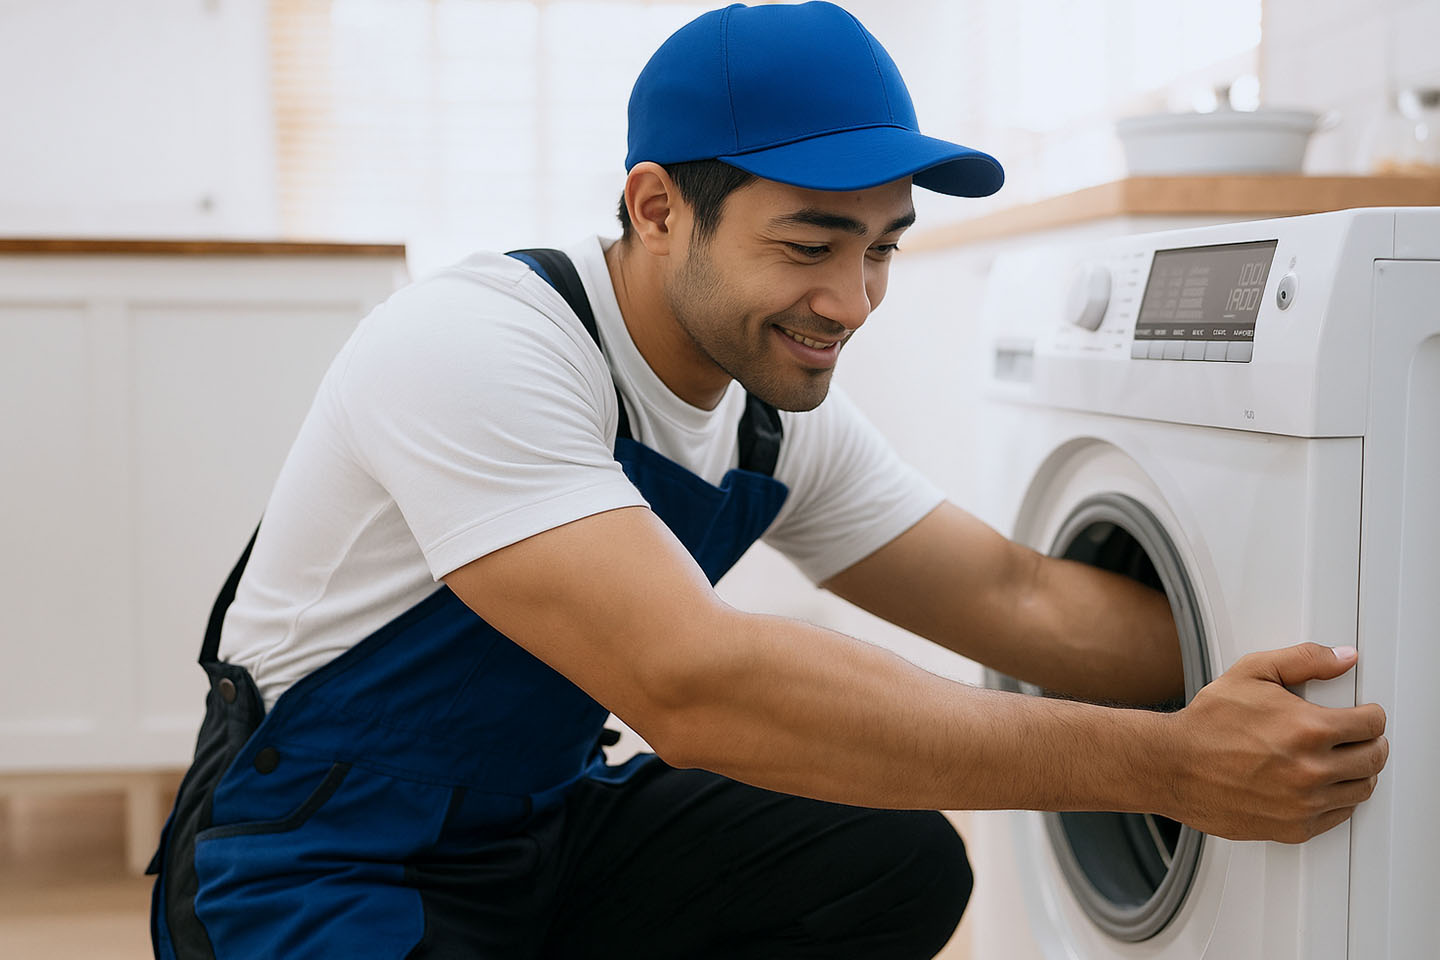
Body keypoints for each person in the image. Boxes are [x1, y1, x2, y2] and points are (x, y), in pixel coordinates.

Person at [148, 3, 1390, 958]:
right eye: (809, 244)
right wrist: (1166, 766)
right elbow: (698, 687)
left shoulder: (768, 415)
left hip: (537, 831)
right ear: (658, 208)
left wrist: (1322, 669)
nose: (850, 304)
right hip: (314, 866)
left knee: (890, 865)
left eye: (882, 248)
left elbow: (1019, 601)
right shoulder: (476, 345)